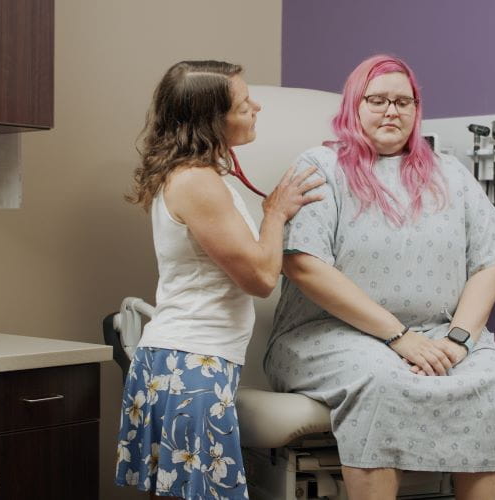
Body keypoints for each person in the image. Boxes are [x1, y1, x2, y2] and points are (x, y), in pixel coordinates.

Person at [263, 54, 495, 499]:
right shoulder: (320, 167)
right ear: (354, 106)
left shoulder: (450, 173)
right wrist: (398, 336)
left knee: (493, 384)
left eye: (403, 102)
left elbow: (489, 263)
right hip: (327, 334)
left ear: (416, 109)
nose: (392, 111)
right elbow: (303, 263)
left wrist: (459, 339)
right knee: (383, 381)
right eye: (378, 100)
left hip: (442, 335)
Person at [114, 60, 324, 500]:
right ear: (213, 119)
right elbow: (263, 278)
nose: (257, 107)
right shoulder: (198, 182)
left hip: (182, 362)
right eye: (245, 103)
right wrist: (275, 213)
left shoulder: (197, 175)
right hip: (192, 366)